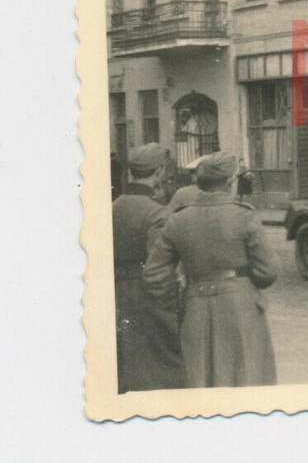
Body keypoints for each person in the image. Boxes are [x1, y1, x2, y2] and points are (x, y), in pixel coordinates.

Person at [144, 151, 278, 388]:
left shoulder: (178, 219)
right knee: (246, 380)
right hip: (241, 308)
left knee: (201, 382)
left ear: (199, 182)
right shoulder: (244, 215)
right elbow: (268, 271)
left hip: (195, 307)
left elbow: (154, 274)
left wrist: (178, 300)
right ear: (229, 182)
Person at [111, 143, 183, 393]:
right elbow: (158, 267)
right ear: (159, 172)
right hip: (145, 297)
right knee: (158, 371)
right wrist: (170, 305)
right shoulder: (157, 214)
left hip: (115, 292)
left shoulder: (113, 206)